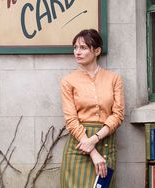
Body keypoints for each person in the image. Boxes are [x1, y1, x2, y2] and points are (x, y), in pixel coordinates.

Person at [60, 29, 125, 188]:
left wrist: (94, 139)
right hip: (79, 145)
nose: (77, 52)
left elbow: (118, 115)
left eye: (83, 47)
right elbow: (71, 120)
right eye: (75, 47)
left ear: (96, 51)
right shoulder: (68, 81)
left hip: (105, 141)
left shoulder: (114, 79)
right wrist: (92, 150)